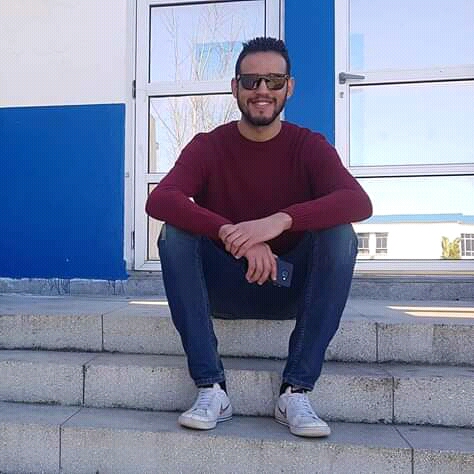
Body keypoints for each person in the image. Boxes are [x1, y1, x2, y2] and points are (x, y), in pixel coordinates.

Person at [146, 37, 372, 438]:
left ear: (289, 87)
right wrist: (234, 234)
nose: (262, 90)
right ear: (235, 88)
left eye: (273, 81)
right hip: (225, 287)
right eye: (251, 82)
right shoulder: (209, 146)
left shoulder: (309, 146)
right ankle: (211, 388)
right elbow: (161, 198)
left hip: (290, 287)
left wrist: (280, 221)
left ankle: (295, 392)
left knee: (341, 235)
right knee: (174, 233)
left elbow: (358, 201)